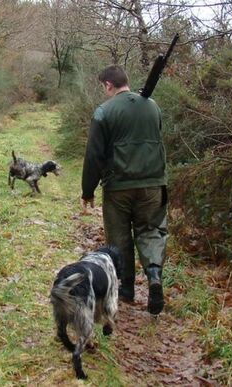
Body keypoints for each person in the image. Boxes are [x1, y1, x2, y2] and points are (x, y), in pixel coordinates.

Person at [81, 64, 168, 315]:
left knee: (119, 237)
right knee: (151, 231)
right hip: (153, 184)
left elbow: (94, 156)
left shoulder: (104, 112)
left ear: (108, 85)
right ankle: (154, 277)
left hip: (118, 187)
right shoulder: (153, 106)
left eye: (103, 87)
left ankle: (125, 289)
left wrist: (88, 190)